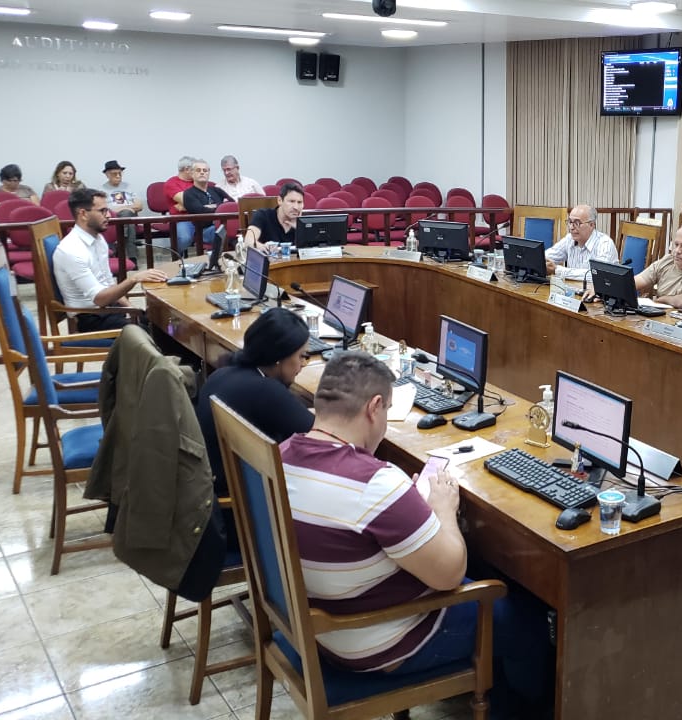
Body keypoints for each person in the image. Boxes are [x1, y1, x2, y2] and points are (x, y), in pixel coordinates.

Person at [280, 353, 553, 715]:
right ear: (374, 408)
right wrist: (442, 509)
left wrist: (407, 511)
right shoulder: (376, 483)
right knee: (525, 616)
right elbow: (450, 574)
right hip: (376, 642)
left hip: (316, 628)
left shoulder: (283, 454)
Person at [195, 307, 313, 498]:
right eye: (302, 356)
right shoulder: (265, 390)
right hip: (239, 497)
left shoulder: (223, 373)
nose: (303, 364)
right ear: (279, 357)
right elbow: (317, 435)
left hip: (214, 484)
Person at [52, 189, 167, 331]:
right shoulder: (71, 250)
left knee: (162, 322)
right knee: (151, 332)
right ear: (83, 214)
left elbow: (108, 285)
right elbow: (99, 299)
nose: (108, 215)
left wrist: (133, 310)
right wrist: (134, 279)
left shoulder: (98, 239)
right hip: (90, 318)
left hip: (110, 309)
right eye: (102, 211)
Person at [544, 204, 619, 280]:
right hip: (573, 286)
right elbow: (546, 257)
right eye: (570, 222)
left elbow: (598, 275)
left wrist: (557, 270)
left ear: (591, 225)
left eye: (577, 223)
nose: (571, 227)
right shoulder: (569, 239)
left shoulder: (604, 244)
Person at [180, 159, 232, 252]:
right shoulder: (188, 194)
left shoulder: (216, 190)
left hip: (223, 225)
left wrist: (212, 207)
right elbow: (201, 212)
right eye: (198, 170)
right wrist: (221, 206)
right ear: (192, 174)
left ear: (208, 173)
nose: (202, 173)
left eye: (205, 170)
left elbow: (232, 205)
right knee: (226, 232)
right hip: (204, 230)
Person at [98, 160, 143, 267]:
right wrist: (125, 208)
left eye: (120, 173)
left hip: (129, 216)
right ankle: (132, 258)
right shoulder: (102, 190)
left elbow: (140, 206)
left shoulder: (128, 186)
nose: (118, 176)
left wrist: (125, 209)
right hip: (113, 219)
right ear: (107, 175)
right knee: (129, 224)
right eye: (115, 174)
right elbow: (104, 209)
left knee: (126, 216)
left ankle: (119, 245)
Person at [242, 182, 303, 251]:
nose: (296, 207)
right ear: (280, 200)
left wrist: (301, 229)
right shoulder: (263, 215)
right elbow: (248, 242)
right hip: (267, 257)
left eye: (299, 202)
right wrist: (264, 247)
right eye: (291, 201)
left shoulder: (304, 223)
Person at [164, 155, 195, 251]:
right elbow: (187, 200)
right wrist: (197, 203)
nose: (198, 172)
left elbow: (208, 199)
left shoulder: (198, 181)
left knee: (220, 232)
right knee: (185, 238)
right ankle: (177, 257)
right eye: (195, 169)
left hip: (203, 217)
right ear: (187, 169)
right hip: (182, 219)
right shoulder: (171, 183)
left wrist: (185, 206)